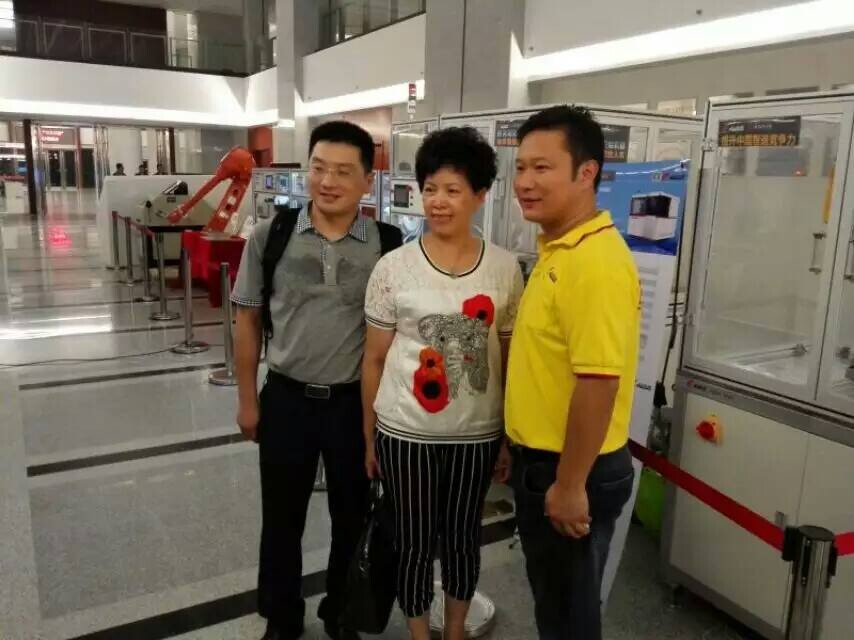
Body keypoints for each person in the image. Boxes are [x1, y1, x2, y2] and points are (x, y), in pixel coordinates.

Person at [231, 121, 402, 640]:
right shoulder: (272, 235)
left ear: (368, 181)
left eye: (343, 172)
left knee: (353, 514)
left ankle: (341, 612)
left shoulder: (387, 244)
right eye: (319, 168)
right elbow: (247, 318)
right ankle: (282, 616)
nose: (328, 181)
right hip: (286, 398)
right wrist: (247, 401)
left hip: (355, 406)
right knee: (281, 517)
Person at [362, 127, 523, 640]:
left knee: (462, 541)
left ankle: (453, 631)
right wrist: (369, 437)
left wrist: (507, 436)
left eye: (453, 190)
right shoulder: (394, 267)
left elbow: (508, 357)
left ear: (480, 195)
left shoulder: (504, 268)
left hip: (477, 434)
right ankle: (418, 634)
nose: (438, 201)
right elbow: (374, 358)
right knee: (411, 542)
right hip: (405, 431)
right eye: (430, 188)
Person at [504, 105, 640, 640]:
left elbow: (598, 382)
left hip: (572, 469)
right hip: (545, 463)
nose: (524, 182)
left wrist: (569, 484)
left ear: (587, 173)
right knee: (556, 605)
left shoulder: (594, 263)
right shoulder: (558, 249)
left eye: (542, 168)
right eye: (520, 167)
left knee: (568, 618)